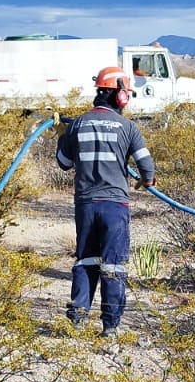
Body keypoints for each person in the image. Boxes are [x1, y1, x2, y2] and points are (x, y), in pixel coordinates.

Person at [55, 66, 155, 336]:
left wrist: (64, 136)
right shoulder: (128, 127)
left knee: (86, 260)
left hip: (85, 205)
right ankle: (110, 327)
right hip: (115, 207)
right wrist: (145, 181)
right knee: (113, 266)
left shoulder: (77, 124)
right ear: (119, 96)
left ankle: (77, 320)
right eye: (127, 94)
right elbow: (147, 166)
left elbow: (63, 163)